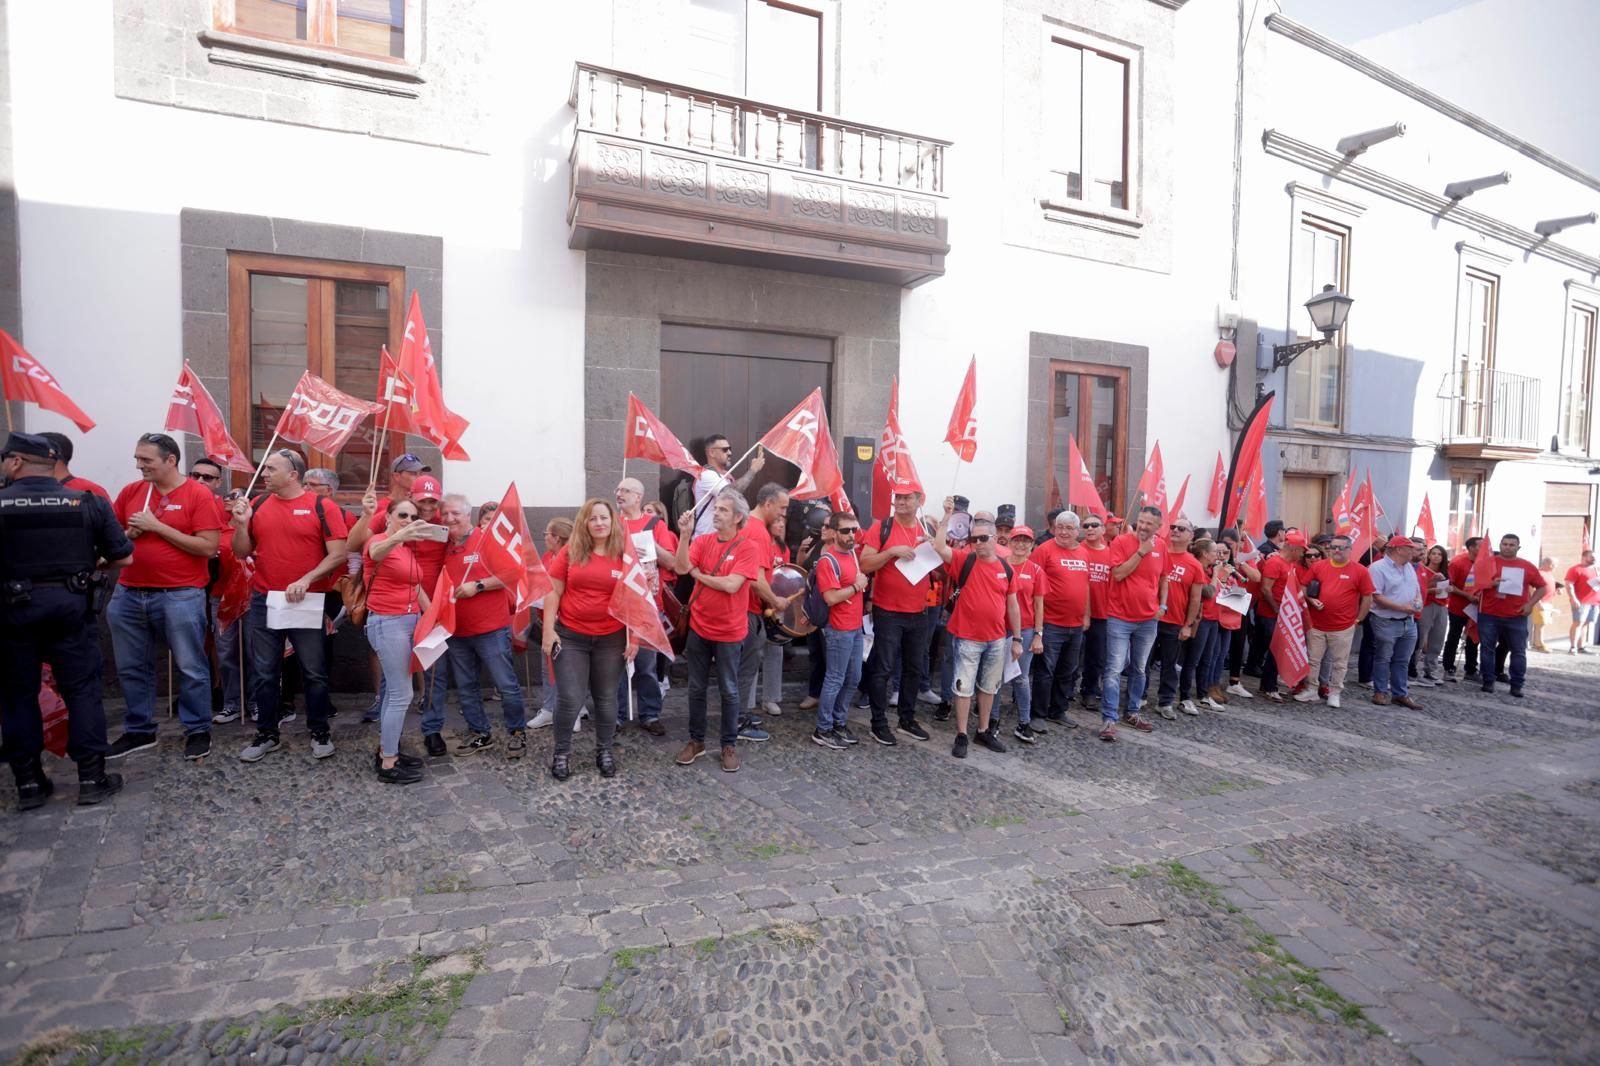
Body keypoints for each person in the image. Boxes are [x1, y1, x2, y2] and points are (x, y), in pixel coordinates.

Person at [1, 432, 133, 809]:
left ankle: (28, 784)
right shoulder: (86, 501)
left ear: (15, 462)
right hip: (72, 608)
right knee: (83, 692)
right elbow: (123, 558)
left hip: (13, 613)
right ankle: (92, 778)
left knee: (17, 696)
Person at [105, 432, 227, 761]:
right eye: (137, 458)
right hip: (129, 592)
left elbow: (208, 547)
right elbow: (113, 538)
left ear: (170, 460)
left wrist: (158, 527)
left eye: (146, 459)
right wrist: (127, 535)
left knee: (190, 666)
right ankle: (139, 730)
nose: (138, 465)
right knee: (131, 667)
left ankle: (198, 729)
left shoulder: (197, 495)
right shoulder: (132, 492)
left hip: (181, 594)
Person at [229, 449, 349, 763]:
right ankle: (267, 734)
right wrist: (241, 525)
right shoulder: (257, 504)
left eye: (270, 469)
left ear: (292, 474)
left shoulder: (322, 506)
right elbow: (242, 552)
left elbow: (338, 554)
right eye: (264, 469)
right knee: (265, 672)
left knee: (314, 672)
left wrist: (307, 578)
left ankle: (320, 731)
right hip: (265, 600)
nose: (263, 473)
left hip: (306, 600)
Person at [671, 490, 760, 773]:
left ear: (737, 517)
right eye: (716, 508)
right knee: (696, 688)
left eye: (723, 509)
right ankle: (696, 741)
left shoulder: (748, 546)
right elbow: (681, 566)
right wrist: (685, 535)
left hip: (730, 632)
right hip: (699, 627)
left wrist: (699, 575)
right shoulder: (704, 540)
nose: (716, 513)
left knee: (729, 690)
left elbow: (732, 585)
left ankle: (728, 744)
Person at [544, 499, 634, 780]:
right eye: (593, 518)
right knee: (570, 698)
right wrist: (549, 629)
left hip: (612, 638)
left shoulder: (624, 554)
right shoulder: (572, 551)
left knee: (606, 699)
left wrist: (636, 638)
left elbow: (635, 598)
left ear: (613, 521)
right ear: (584, 522)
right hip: (571, 636)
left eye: (604, 518)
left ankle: (604, 751)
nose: (599, 523)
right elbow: (553, 592)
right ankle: (561, 753)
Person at [441, 494, 530, 757]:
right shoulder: (444, 544)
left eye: (455, 513)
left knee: (505, 684)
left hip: (491, 628)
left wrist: (478, 586)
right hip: (457, 629)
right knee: (466, 686)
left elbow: (514, 572)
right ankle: (480, 733)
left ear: (468, 514)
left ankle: (517, 733)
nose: (449, 519)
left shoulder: (486, 538)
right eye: (445, 514)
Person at [931, 502, 1021, 758]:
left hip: (996, 639)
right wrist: (947, 516)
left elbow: (1012, 605)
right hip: (968, 638)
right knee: (963, 687)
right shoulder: (963, 560)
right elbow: (939, 547)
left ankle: (982, 730)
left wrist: (1017, 638)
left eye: (983, 538)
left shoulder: (1006, 568)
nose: (978, 543)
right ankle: (961, 734)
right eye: (974, 539)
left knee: (989, 687)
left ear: (995, 539)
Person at [858, 487, 936, 746]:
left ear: (918, 501)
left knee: (914, 669)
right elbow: (865, 564)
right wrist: (892, 552)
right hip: (888, 610)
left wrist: (935, 547)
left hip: (919, 611)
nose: (901, 502)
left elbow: (940, 567)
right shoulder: (882, 527)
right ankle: (878, 723)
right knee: (883, 668)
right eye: (898, 498)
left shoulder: (926, 529)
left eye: (907, 498)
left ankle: (907, 719)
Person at [362, 498, 431, 784]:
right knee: (403, 694)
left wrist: (432, 618)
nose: (408, 519)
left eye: (413, 516)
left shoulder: (405, 549)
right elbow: (376, 552)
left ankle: (386, 750)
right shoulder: (379, 540)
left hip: (409, 622)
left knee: (394, 692)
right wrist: (402, 533)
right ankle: (389, 763)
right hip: (388, 623)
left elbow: (415, 585)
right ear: (388, 515)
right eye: (402, 514)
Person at [189, 457, 255, 725]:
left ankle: (255, 703)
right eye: (196, 476)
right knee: (226, 653)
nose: (201, 481)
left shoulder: (244, 518)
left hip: (251, 597)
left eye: (208, 477)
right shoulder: (203, 514)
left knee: (254, 652)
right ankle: (231, 704)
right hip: (219, 596)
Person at [614, 477, 677, 736]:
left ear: (638, 496)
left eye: (625, 491)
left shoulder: (655, 524)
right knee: (615, 665)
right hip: (617, 604)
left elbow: (672, 562)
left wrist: (650, 545)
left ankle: (650, 714)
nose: (619, 494)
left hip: (648, 606)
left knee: (647, 665)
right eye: (618, 490)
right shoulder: (612, 523)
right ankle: (616, 714)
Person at [1098, 505, 1166, 741]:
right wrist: (1141, 552)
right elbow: (1117, 574)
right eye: (1141, 521)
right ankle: (1109, 718)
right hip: (1120, 617)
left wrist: (1162, 606)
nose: (1144, 526)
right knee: (1114, 669)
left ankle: (1133, 712)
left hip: (1148, 620)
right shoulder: (1121, 542)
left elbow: (1163, 577)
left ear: (1159, 527)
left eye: (1149, 523)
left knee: (1139, 669)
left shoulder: (1162, 546)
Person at [735, 484, 793, 741]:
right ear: (767, 504)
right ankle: (738, 721)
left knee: (743, 668)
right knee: (746, 669)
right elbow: (756, 579)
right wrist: (775, 601)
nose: (783, 514)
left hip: (745, 608)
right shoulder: (757, 532)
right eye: (782, 508)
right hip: (749, 609)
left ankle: (738, 714)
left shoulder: (748, 525)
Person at [1295, 534, 1374, 709]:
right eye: (1333, 547)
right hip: (1317, 624)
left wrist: (1359, 619)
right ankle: (1312, 689)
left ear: (1349, 550)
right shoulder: (1319, 566)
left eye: (1340, 547)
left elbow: (1367, 597)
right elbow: (1303, 586)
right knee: (1313, 659)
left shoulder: (1360, 570)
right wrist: (1310, 600)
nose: (1336, 550)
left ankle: (1335, 692)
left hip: (1343, 626)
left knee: (1340, 663)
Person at [812, 510, 868, 749]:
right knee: (835, 678)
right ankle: (823, 728)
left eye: (854, 529)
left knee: (853, 677)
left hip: (855, 627)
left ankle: (838, 722)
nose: (851, 534)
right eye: (845, 530)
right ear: (834, 533)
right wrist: (857, 586)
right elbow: (831, 597)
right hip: (839, 628)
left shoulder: (854, 555)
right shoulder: (828, 560)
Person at [1029, 512, 1086, 730]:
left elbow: (1085, 586)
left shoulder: (1083, 553)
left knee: (1067, 670)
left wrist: (1086, 615)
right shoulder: (1044, 551)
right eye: (1060, 527)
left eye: (1069, 528)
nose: (1064, 532)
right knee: (1045, 671)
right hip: (1051, 622)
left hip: (1076, 624)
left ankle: (1058, 710)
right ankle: (1038, 714)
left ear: (1077, 531)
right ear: (1054, 528)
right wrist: (1037, 625)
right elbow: (1033, 585)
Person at [1475, 533, 1546, 698]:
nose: (1507, 547)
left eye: (1511, 545)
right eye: (1504, 544)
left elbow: (1542, 587)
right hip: (1489, 613)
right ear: (1500, 545)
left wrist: (1530, 604)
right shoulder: (1488, 563)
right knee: (1487, 649)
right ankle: (1488, 681)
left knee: (1518, 651)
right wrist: (1490, 583)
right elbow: (1473, 583)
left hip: (1516, 615)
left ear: (1518, 547)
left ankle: (1517, 685)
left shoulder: (1527, 566)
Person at [1148, 517, 1205, 719]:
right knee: (1142, 662)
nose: (1175, 531)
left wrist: (1188, 625)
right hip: (1150, 618)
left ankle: (1165, 702)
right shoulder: (1158, 553)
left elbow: (1196, 599)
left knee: (1169, 664)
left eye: (1181, 528)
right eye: (1173, 527)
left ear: (1191, 536)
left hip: (1174, 622)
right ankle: (1139, 697)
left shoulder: (1194, 565)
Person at [1002, 524, 1047, 743]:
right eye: (1017, 540)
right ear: (1009, 543)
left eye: (1026, 541)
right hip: (999, 628)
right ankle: (991, 722)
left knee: (1020, 678)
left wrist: (1039, 634)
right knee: (994, 678)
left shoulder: (1036, 570)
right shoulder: (1000, 566)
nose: (1021, 544)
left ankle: (1024, 722)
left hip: (1027, 630)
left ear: (1031, 545)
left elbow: (1039, 605)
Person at [1367, 535, 1424, 709]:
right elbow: (1376, 597)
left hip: (1408, 621)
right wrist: (1403, 608)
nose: (1415, 551)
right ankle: (1380, 691)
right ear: (1399, 549)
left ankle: (1400, 694)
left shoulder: (1409, 567)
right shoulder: (1377, 568)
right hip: (1386, 620)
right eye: (1411, 548)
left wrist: (1417, 602)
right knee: (1383, 658)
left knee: (1403, 659)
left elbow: (1416, 590)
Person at [1253, 531, 1308, 702]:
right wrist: (1276, 609)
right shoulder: (1276, 563)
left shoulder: (1288, 563)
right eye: (1301, 550)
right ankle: (1269, 687)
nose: (1302, 554)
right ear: (1293, 548)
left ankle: (1267, 685)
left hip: (1280, 613)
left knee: (1276, 650)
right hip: (1271, 613)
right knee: (1277, 650)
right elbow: (1265, 588)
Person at [691, 434, 765, 536]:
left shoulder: (726, 476)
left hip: (723, 540)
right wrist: (753, 470)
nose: (729, 453)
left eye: (730, 449)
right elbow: (730, 493)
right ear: (711, 452)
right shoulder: (705, 475)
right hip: (705, 540)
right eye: (725, 450)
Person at [1077, 513, 1112, 708]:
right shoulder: (1078, 549)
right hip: (1076, 613)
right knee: (1073, 657)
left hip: (1102, 613)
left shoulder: (1111, 553)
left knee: (1096, 657)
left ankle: (1089, 691)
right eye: (1086, 525)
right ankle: (1065, 691)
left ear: (1103, 530)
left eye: (1094, 525)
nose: (1089, 529)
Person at [1443, 537, 1483, 681]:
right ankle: (1448, 667)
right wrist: (1467, 595)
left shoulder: (1485, 563)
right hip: (1458, 607)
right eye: (1481, 545)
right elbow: (1450, 586)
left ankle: (1471, 669)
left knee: (1473, 637)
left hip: (1476, 607)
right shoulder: (1458, 562)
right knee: (1454, 637)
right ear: (1471, 548)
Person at [38, 431, 110, 501]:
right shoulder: (31, 491)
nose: (27, 462)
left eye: (33, 454)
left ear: (52, 455)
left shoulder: (91, 491)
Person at [1415, 544, 1451, 683]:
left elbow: (1450, 586)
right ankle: (1413, 669)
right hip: (1426, 605)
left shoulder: (1446, 572)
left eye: (1439, 554)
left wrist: (1450, 589)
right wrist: (1431, 589)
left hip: (1441, 606)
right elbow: (1419, 588)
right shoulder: (1422, 569)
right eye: (1434, 553)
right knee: (1420, 638)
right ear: (1429, 555)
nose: (1436, 556)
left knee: (1438, 638)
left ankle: (1431, 670)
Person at [1566, 549, 1599, 654]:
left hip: (1595, 601)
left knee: (1586, 623)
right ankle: (1573, 647)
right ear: (1584, 557)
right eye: (1592, 557)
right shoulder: (1576, 569)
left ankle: (1582, 646)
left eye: (1595, 557)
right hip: (1581, 601)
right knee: (1578, 623)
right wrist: (1573, 598)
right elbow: (1569, 584)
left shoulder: (1596, 569)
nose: (1594, 559)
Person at [1529, 558, 1557, 652]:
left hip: (1547, 603)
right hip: (1540, 602)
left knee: (1542, 624)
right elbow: (1531, 588)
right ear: (1548, 564)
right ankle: (1539, 645)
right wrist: (1537, 601)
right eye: (1553, 564)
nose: (1555, 566)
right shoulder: (1539, 573)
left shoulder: (1549, 574)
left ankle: (1539, 643)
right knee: (1539, 624)